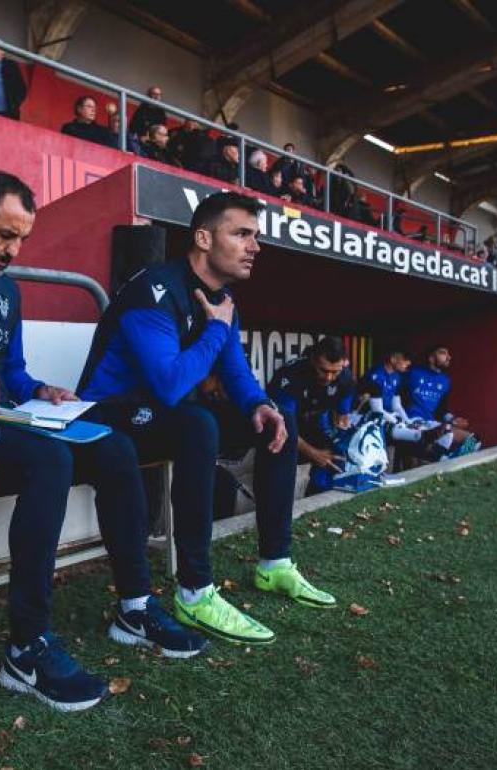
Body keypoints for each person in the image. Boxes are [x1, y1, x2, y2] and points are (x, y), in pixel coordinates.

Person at [0, 171, 207, 712]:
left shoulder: (7, 290)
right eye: (3, 236)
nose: (12, 251)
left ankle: (134, 605)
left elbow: (11, 370)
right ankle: (27, 645)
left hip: (2, 419)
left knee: (112, 446)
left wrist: (39, 389)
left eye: (22, 240)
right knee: (49, 459)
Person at [79, 192, 339, 647]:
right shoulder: (154, 289)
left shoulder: (222, 300)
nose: (254, 246)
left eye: (255, 236)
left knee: (280, 417)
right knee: (198, 423)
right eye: (241, 234)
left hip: (164, 414)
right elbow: (168, 385)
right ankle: (196, 590)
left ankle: (274, 563)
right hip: (111, 413)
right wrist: (216, 327)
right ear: (203, 237)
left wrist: (258, 404)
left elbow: (236, 372)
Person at [267, 338, 356, 495]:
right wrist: (314, 454)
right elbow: (282, 428)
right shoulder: (290, 376)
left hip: (317, 424)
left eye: (335, 372)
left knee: (333, 460)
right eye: (324, 370)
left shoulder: (346, 378)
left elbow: (342, 419)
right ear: (313, 360)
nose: (329, 378)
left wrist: (342, 445)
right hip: (280, 429)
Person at [402, 345, 477, 458]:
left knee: (474, 440)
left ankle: (451, 462)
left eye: (448, 354)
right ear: (431, 358)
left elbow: (442, 409)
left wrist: (453, 419)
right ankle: (442, 460)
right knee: (446, 433)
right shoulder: (413, 373)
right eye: (443, 353)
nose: (449, 357)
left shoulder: (445, 380)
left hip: (432, 424)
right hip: (412, 422)